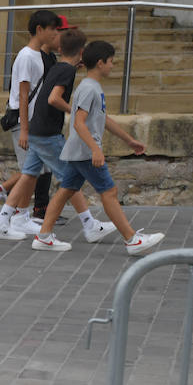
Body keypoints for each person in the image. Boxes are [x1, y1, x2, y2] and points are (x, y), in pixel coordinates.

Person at [32, 41, 164, 256]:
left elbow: (103, 119)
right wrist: (95, 149)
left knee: (66, 191)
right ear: (100, 63)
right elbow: (79, 123)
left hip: (79, 150)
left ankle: (44, 236)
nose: (113, 65)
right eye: (111, 61)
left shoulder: (91, 87)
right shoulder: (89, 89)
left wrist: (129, 140)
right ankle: (132, 239)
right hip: (85, 151)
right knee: (109, 192)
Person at [23, 28, 117, 245]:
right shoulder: (68, 71)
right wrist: (74, 110)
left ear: (60, 48)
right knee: (68, 182)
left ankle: (4, 215)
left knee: (29, 174)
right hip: (48, 133)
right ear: (82, 52)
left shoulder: (59, 66)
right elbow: (54, 98)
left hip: (38, 129)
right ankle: (89, 224)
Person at [0, 10, 61, 239]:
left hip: (33, 122)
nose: (55, 33)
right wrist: (25, 129)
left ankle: (13, 210)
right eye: (52, 29)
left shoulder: (36, 56)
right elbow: (23, 95)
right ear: (39, 29)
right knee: (30, 171)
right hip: (25, 122)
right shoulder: (26, 57)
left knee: (35, 169)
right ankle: (4, 207)